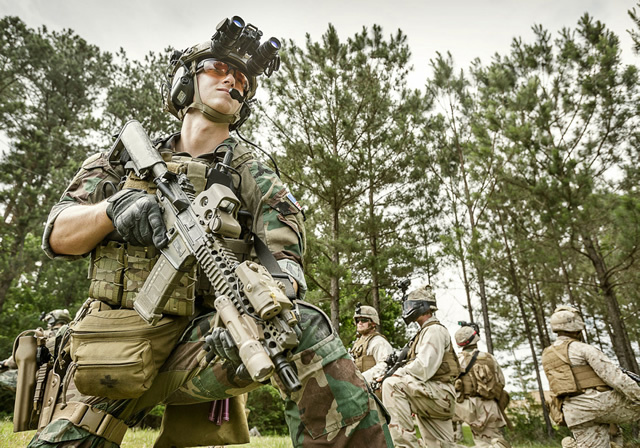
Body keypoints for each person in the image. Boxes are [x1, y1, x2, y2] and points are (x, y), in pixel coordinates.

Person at [27, 15, 393, 448]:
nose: (232, 80)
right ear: (186, 82)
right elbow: (57, 235)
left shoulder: (256, 175)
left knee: (303, 326)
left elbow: (286, 261)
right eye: (219, 68)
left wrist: (267, 297)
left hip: (204, 342)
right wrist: (112, 210)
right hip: (113, 345)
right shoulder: (121, 161)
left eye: (242, 79)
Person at [541, 305, 640, 448]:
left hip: (574, 413)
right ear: (577, 328)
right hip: (598, 404)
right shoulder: (583, 348)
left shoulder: (547, 355)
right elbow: (616, 378)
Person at [382, 285, 461, 447]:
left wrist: (397, 374)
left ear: (423, 307)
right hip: (437, 394)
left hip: (439, 392)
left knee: (392, 384)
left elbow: (424, 367)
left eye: (411, 305)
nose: (407, 310)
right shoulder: (424, 332)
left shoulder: (434, 330)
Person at [453, 324, 510, 448]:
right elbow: (501, 382)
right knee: (493, 442)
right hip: (489, 406)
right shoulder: (490, 358)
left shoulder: (456, 360)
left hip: (465, 407)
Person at [348, 303, 393, 396]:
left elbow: (385, 366)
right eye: (358, 320)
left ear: (373, 322)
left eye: (364, 320)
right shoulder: (357, 343)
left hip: (373, 391)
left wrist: (361, 378)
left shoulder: (378, 342)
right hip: (359, 390)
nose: (360, 323)